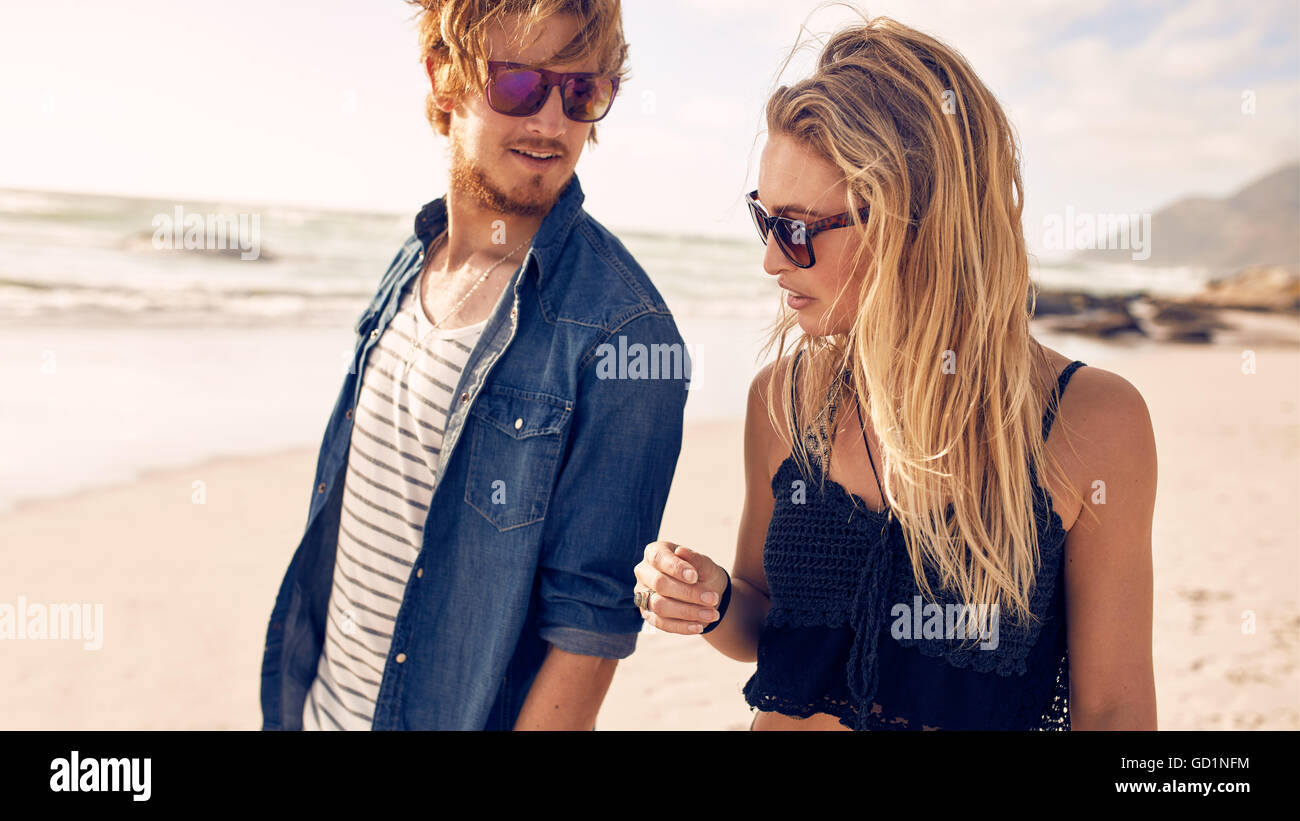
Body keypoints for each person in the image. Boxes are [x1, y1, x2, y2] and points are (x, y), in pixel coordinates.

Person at [633, 16, 1157, 730]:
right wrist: (712, 598)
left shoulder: (1090, 423)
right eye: (765, 220)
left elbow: (1116, 710)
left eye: (796, 229)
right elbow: (766, 621)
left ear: (913, 223)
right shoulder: (784, 400)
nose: (771, 261)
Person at [261, 0, 688, 731]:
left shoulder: (627, 338)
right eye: (520, 85)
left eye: (581, 92)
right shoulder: (414, 256)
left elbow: (587, 637)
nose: (553, 124)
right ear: (443, 78)